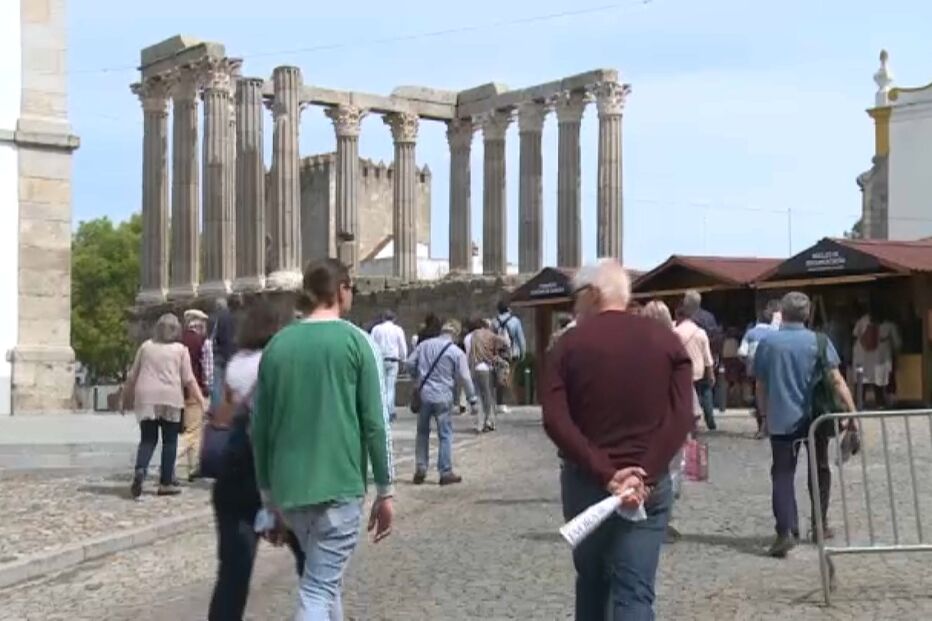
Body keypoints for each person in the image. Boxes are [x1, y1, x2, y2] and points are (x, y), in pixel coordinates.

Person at [543, 260, 693, 619]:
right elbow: (680, 416)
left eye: (577, 296)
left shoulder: (567, 346)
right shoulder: (666, 341)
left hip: (586, 483)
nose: (574, 305)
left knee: (592, 582)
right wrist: (645, 472)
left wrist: (605, 472)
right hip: (648, 487)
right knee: (635, 590)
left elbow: (555, 419)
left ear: (593, 294)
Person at [252, 259, 395, 619]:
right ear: (342, 289)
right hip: (339, 487)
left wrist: (268, 498)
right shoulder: (357, 342)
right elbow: (376, 423)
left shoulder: (276, 347)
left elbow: (261, 430)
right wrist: (386, 489)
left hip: (290, 491)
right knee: (317, 590)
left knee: (325, 582)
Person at [208, 299, 306, 621]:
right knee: (312, 565)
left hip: (235, 476)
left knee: (232, 576)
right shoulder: (282, 362)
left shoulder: (237, 361)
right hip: (277, 476)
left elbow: (224, 414)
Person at [754, 292, 857, 558]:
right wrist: (853, 412)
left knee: (782, 474)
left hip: (781, 418)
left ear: (783, 313)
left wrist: (763, 417)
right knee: (819, 468)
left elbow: (761, 384)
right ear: (808, 314)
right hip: (815, 416)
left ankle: (786, 530)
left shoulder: (768, 343)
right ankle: (820, 525)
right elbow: (836, 379)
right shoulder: (819, 341)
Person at [125, 313, 208, 498]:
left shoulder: (146, 347)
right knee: (170, 441)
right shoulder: (180, 350)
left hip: (146, 397)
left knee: (148, 439)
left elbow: (132, 375)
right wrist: (202, 401)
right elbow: (189, 379)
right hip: (171, 396)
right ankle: (166, 482)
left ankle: (140, 469)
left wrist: (124, 398)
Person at [406, 319, 478, 485]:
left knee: (422, 433)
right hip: (443, 396)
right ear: (456, 334)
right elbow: (465, 377)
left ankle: (421, 468)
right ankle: (445, 471)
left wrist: (417, 377)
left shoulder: (424, 345)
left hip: (424, 395)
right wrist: (472, 399)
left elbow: (409, 363)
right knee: (445, 434)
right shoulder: (456, 352)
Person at [738, 299, 781, 439]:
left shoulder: (751, 333)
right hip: (775, 371)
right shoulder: (777, 333)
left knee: (760, 398)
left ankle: (762, 426)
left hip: (756, 371)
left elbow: (742, 353)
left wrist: (748, 364)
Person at [179, 309, 213, 480]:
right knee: (194, 430)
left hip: (178, 390)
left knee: (186, 428)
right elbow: (207, 369)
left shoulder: (178, 341)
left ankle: (191, 466)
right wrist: (207, 389)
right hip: (195, 389)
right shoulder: (203, 342)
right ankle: (176, 464)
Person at [674, 305, 716, 431]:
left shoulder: (675, 332)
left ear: (679, 316)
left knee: (687, 397)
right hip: (699, 369)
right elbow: (707, 355)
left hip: (682, 370)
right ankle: (709, 417)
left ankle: (691, 422)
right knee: (705, 392)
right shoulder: (700, 332)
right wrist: (711, 373)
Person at [464, 318, 508, 433]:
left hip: (473, 367)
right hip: (486, 367)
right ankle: (488, 421)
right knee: (488, 396)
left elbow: (468, 354)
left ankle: (480, 422)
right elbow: (505, 342)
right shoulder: (488, 335)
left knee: (478, 395)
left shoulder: (469, 337)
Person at [852, 306, 901, 408]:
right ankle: (880, 403)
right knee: (879, 382)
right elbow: (897, 344)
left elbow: (854, 335)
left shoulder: (862, 321)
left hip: (862, 358)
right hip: (880, 358)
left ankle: (859, 404)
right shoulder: (889, 325)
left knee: (862, 383)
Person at [370, 310, 408, 422]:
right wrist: (404, 359)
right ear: (394, 319)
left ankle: (388, 409)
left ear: (383, 318)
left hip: (379, 359)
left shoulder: (376, 329)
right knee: (390, 386)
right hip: (393, 360)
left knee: (381, 386)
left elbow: (371, 343)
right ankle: (388, 411)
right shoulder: (398, 329)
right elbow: (402, 345)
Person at [492, 300, 527, 414]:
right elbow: (520, 338)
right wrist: (523, 353)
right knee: (509, 377)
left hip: (499, 353)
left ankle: (500, 402)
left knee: (500, 377)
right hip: (512, 353)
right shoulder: (515, 321)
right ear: (508, 309)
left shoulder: (494, 322)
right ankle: (504, 403)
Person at [210, 297, 237, 408]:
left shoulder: (213, 318)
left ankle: (217, 409)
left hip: (217, 354)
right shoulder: (231, 318)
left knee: (216, 385)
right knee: (229, 384)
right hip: (228, 354)